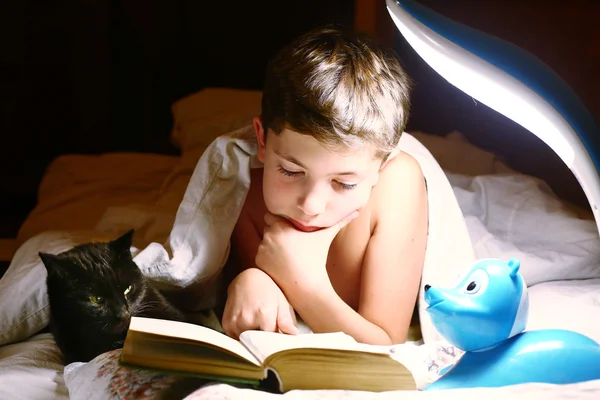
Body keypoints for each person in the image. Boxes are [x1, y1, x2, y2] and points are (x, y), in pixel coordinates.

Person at [221, 26, 428, 346]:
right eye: (290, 171)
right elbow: (274, 311)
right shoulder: (245, 190)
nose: (311, 205)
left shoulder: (396, 182)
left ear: (381, 166)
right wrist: (250, 279)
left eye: (344, 183)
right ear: (262, 140)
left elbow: (386, 345)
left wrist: (306, 286)